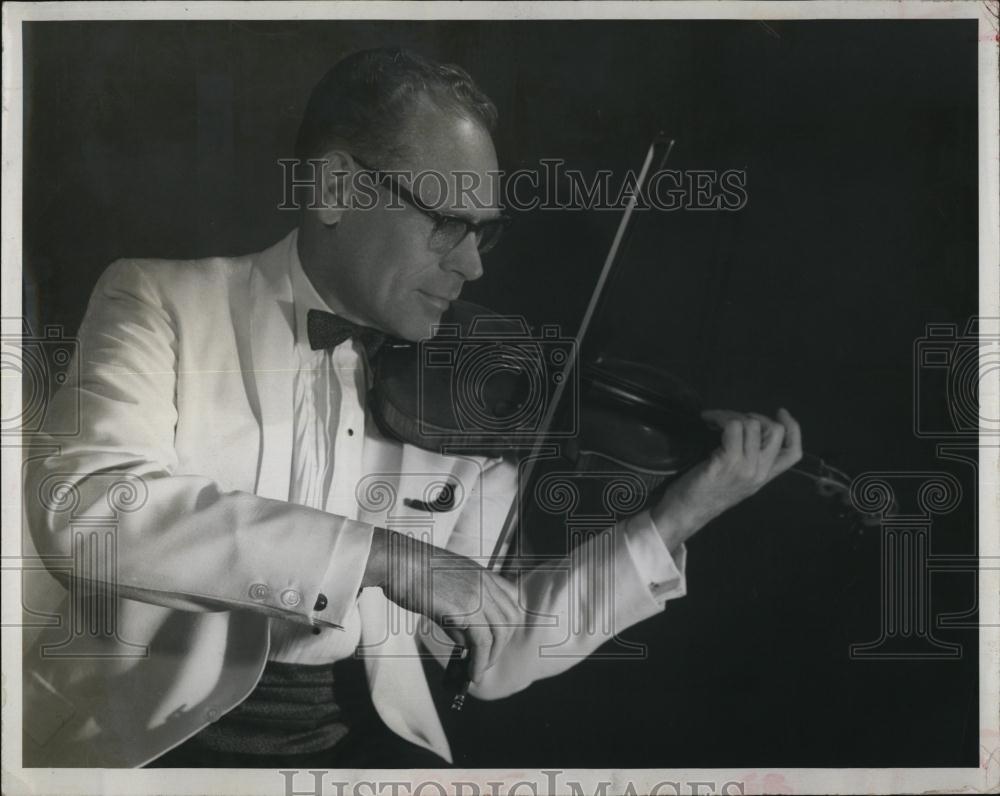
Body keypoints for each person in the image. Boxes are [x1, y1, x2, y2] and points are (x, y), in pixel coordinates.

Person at [22, 48, 802, 768]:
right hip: (155, 748)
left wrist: (675, 520)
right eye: (446, 226)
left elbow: (496, 647)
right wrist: (386, 556)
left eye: (483, 236)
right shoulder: (161, 301)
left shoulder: (467, 385)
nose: (468, 266)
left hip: (358, 749)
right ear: (335, 189)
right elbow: (87, 509)